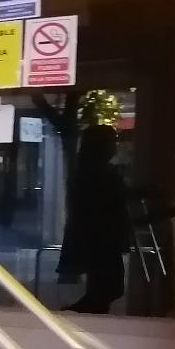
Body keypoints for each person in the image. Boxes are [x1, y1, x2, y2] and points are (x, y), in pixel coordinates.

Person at [58, 124, 130, 314]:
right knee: (107, 287)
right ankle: (78, 313)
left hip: (99, 239)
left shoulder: (88, 172)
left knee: (105, 288)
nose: (115, 146)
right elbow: (108, 207)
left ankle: (79, 312)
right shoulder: (100, 174)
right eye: (112, 141)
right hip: (102, 240)